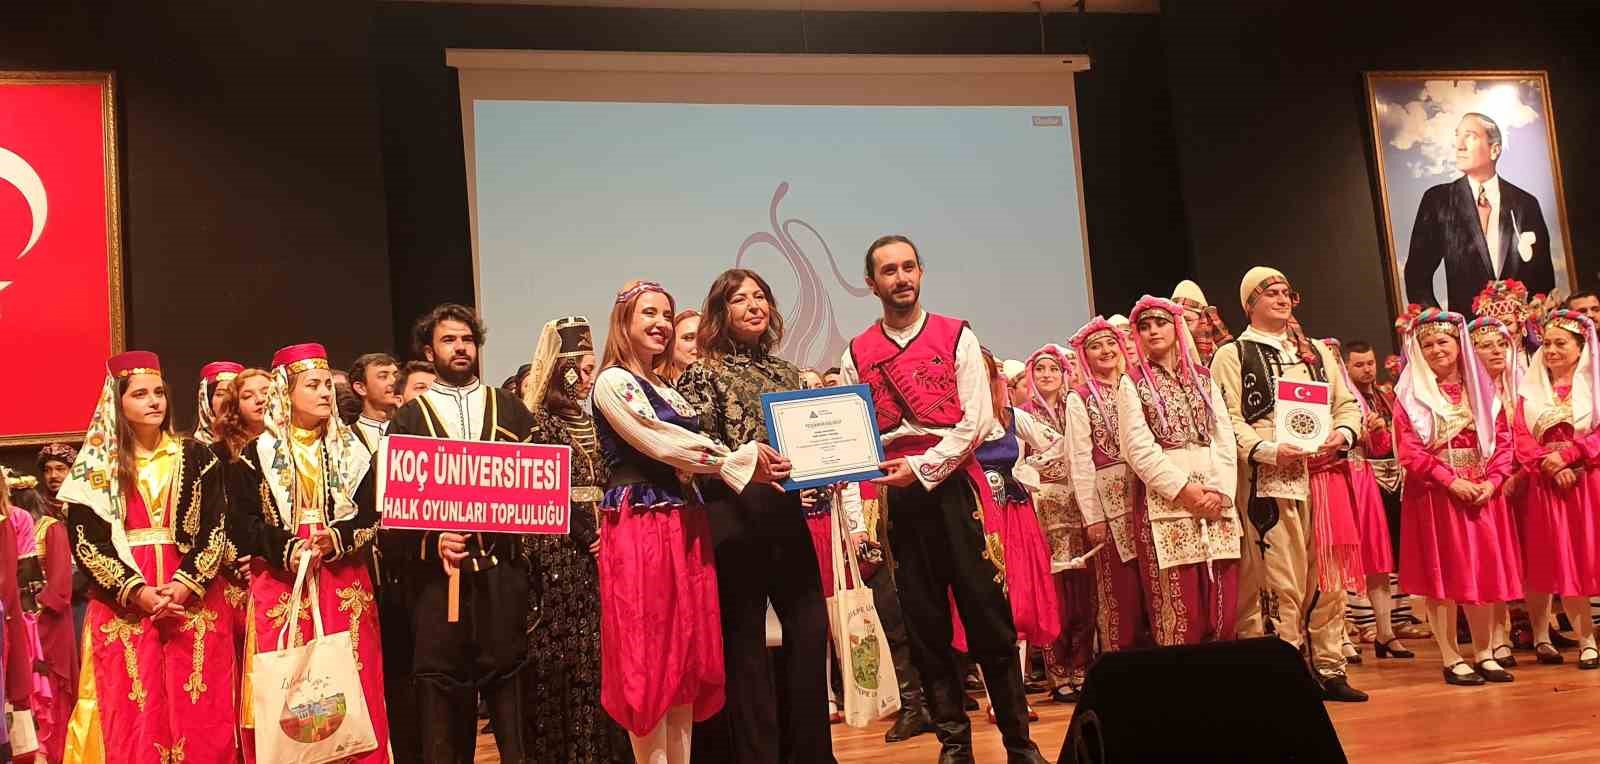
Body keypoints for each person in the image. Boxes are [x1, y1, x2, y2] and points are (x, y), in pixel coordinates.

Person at [839, 235, 1047, 763]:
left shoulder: (956, 336)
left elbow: (976, 422)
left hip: (956, 491)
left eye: (909, 267)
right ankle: (954, 745)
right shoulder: (856, 353)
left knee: (989, 619)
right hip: (897, 500)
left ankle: (1019, 746)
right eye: (889, 270)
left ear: (921, 273)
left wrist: (924, 467)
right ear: (871, 283)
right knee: (924, 626)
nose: (901, 277)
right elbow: (851, 435)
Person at [593, 280, 772, 763]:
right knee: (649, 656)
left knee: (684, 658)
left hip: (681, 524)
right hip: (642, 527)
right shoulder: (613, 382)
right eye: (648, 313)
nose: (661, 323)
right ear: (623, 322)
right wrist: (738, 461)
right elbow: (662, 442)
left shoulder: (664, 385)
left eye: (667, 314)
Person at [673, 269, 831, 763]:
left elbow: (806, 449)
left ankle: (810, 754)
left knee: (809, 628)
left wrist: (830, 463)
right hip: (731, 514)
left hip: (783, 512)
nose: (753, 306)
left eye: (760, 296)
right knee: (744, 645)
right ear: (721, 312)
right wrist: (746, 460)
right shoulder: (702, 373)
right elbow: (702, 454)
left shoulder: (787, 373)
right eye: (740, 299)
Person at [369, 305, 533, 762]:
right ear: (429, 350)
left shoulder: (513, 412)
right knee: (442, 697)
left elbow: (540, 492)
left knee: (510, 689)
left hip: (501, 574)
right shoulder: (408, 421)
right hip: (438, 582)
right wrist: (432, 540)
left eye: (466, 339)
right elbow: (389, 516)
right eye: (448, 340)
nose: (460, 347)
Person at [58, 350, 237, 761]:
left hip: (192, 599)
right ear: (116, 403)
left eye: (159, 392)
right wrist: (138, 591)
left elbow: (215, 530)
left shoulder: (197, 457)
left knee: (200, 714)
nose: (154, 401)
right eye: (140, 394)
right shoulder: (96, 470)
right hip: (124, 604)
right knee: (131, 711)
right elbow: (87, 543)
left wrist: (182, 586)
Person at [1210, 268, 1369, 702]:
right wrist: (1266, 449)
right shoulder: (1233, 355)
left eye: (1287, 293)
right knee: (1279, 580)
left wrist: (1343, 434)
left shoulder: (1317, 352)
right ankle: (1285, 668)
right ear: (1249, 304)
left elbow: (1347, 405)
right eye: (1271, 293)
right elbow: (1228, 421)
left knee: (1329, 579)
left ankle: (1331, 667)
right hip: (1271, 480)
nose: (1282, 299)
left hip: (1323, 477)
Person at [228, 343, 390, 760]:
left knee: (355, 677)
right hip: (283, 581)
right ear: (287, 393)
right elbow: (243, 525)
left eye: (326, 385)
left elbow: (373, 513)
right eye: (312, 385)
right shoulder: (255, 455)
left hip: (343, 578)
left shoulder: (352, 450)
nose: (324, 393)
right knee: (292, 682)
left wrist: (336, 539)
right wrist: (287, 547)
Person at [519, 315, 634, 763]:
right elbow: (544, 490)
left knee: (604, 654)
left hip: (605, 549)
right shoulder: (538, 424)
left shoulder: (594, 422)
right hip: (561, 553)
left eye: (592, 369)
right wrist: (588, 535)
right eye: (582, 369)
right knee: (567, 658)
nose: (588, 378)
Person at [1392, 309, 1524, 685]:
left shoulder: (1481, 392)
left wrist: (1493, 481)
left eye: (1443, 341)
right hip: (1437, 496)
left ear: (1458, 344)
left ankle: (1484, 652)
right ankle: (1451, 655)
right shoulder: (1410, 395)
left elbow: (1503, 442)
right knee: (1443, 577)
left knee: (1479, 573)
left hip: (1482, 492)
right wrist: (1450, 481)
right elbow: (1411, 451)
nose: (1436, 349)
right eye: (1428, 344)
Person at [1118, 296, 1241, 647]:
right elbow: (1137, 446)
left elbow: (1223, 437)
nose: (1153, 330)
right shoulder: (1133, 381)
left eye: (1159, 322)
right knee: (1178, 608)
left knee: (1223, 606)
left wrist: (1220, 491)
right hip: (1166, 501)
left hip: (1216, 498)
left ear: (1177, 327)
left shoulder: (1203, 376)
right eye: (1144, 326)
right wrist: (1184, 490)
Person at [964, 349, 1065, 722]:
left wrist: (1027, 470)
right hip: (976, 516)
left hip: (1014, 513)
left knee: (1018, 600)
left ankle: (1014, 696)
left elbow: (1057, 444)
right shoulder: (958, 420)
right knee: (985, 601)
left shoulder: (1011, 417)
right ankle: (996, 697)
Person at [1512, 309, 1600, 670]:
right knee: (1562, 561)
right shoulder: (1530, 393)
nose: (1550, 350)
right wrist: (1545, 465)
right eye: (1546, 343)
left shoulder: (1595, 388)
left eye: (1560, 343)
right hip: (1548, 488)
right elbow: (1519, 435)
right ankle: (1586, 641)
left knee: (1589, 556)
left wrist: (1572, 455)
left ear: (1580, 348)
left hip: (1588, 482)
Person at [1403, 112, 1555, 311]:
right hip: (1466, 333)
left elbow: (1544, 279)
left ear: (1494, 150)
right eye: (1457, 136)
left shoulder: (1526, 203)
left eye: (1471, 136)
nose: (1459, 146)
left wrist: (1534, 320)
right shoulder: (1438, 200)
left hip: (1519, 335)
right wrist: (1442, 326)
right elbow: (1416, 275)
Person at [1066, 317, 1150, 660]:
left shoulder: (1138, 386)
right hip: (1107, 499)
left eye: (1110, 343)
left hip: (1144, 493)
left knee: (1150, 585)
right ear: (1085, 356)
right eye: (1095, 346)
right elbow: (1080, 460)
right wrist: (1092, 515)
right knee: (1120, 590)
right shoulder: (1080, 398)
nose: (1105, 351)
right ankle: (1121, 665)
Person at [1019, 343, 1093, 701]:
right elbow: (1018, 464)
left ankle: (1081, 667)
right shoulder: (1022, 414)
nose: (1047, 375)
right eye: (1040, 370)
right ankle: (1057, 672)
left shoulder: (1075, 408)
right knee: (1053, 596)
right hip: (1043, 508)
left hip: (1076, 506)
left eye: (1054, 369)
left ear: (1065, 373)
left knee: (1082, 595)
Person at [1339, 340, 1411, 660]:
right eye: (1359, 364)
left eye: (1370, 363)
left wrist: (1379, 432)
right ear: (1345, 367)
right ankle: (1342, 635)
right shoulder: (1338, 399)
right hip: (1347, 479)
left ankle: (1385, 633)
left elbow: (1383, 448)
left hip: (1376, 480)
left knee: (1380, 560)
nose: (1367, 369)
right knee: (1344, 559)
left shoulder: (1382, 395)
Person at [1172, 279, 1233, 365]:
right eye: (1176, 321)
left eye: (1187, 321)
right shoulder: (1168, 359)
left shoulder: (1223, 356)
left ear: (1203, 321)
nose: (1182, 327)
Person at [349, 352, 400, 453]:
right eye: (383, 376)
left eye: (396, 375)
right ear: (361, 388)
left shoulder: (411, 428)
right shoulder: (347, 437)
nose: (394, 381)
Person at [193, 361, 242, 446]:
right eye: (220, 394)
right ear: (206, 401)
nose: (227, 400)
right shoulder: (187, 450)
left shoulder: (258, 444)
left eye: (233, 393)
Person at [658, 308, 701, 384]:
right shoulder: (655, 388)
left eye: (703, 338)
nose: (698, 344)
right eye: (688, 338)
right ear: (670, 344)